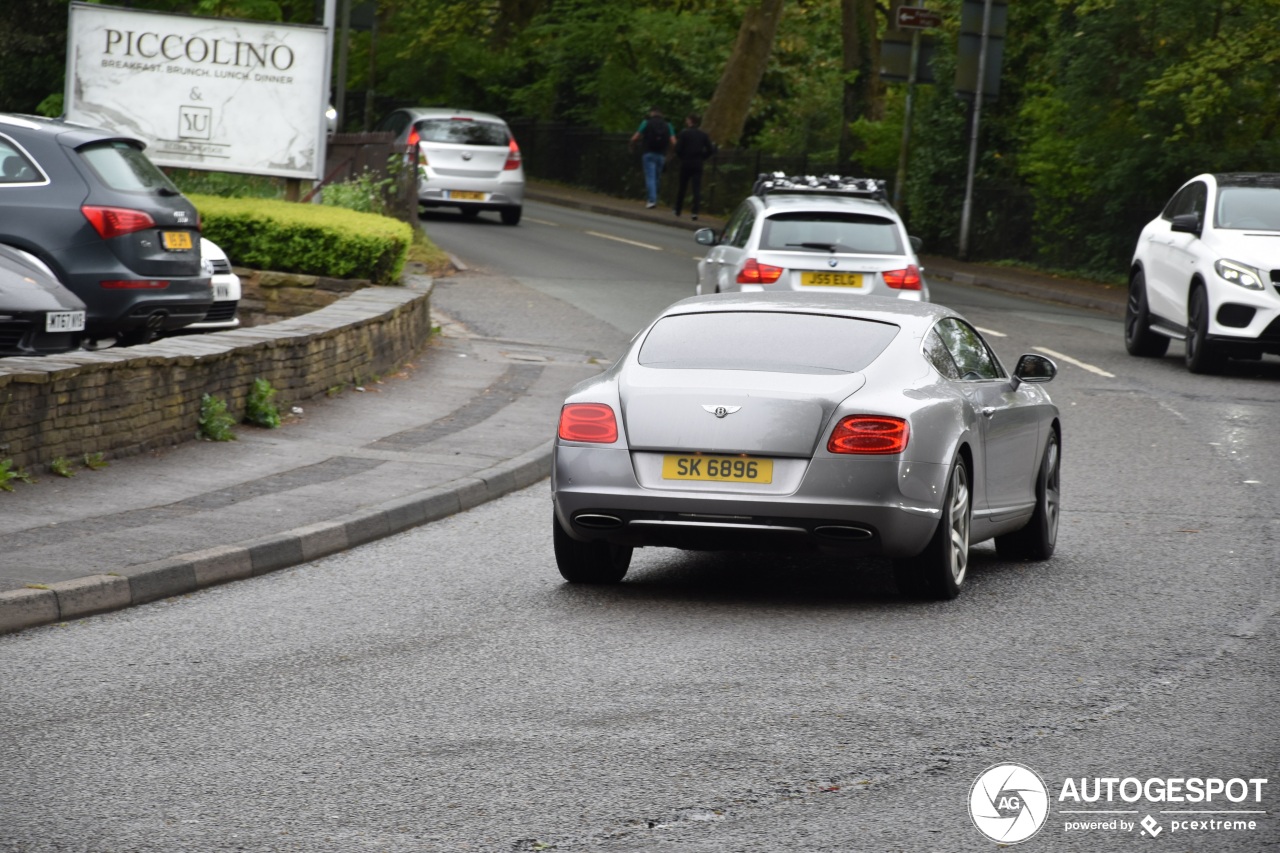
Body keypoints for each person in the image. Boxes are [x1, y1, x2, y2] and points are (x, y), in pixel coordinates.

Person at [673, 113, 716, 220]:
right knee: (696, 188)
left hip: (686, 162)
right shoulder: (703, 135)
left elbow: (677, 149)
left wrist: (682, 157)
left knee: (682, 187)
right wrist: (702, 157)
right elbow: (710, 150)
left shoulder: (684, 134)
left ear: (690, 121)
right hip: (698, 163)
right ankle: (695, 212)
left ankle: (678, 209)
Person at [630, 108, 675, 209]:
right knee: (657, 177)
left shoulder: (646, 122)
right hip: (661, 154)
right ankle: (655, 198)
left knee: (650, 177)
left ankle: (651, 200)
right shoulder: (668, 125)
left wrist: (632, 145)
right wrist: (670, 153)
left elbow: (635, 137)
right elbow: (673, 141)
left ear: (652, 113)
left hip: (648, 153)